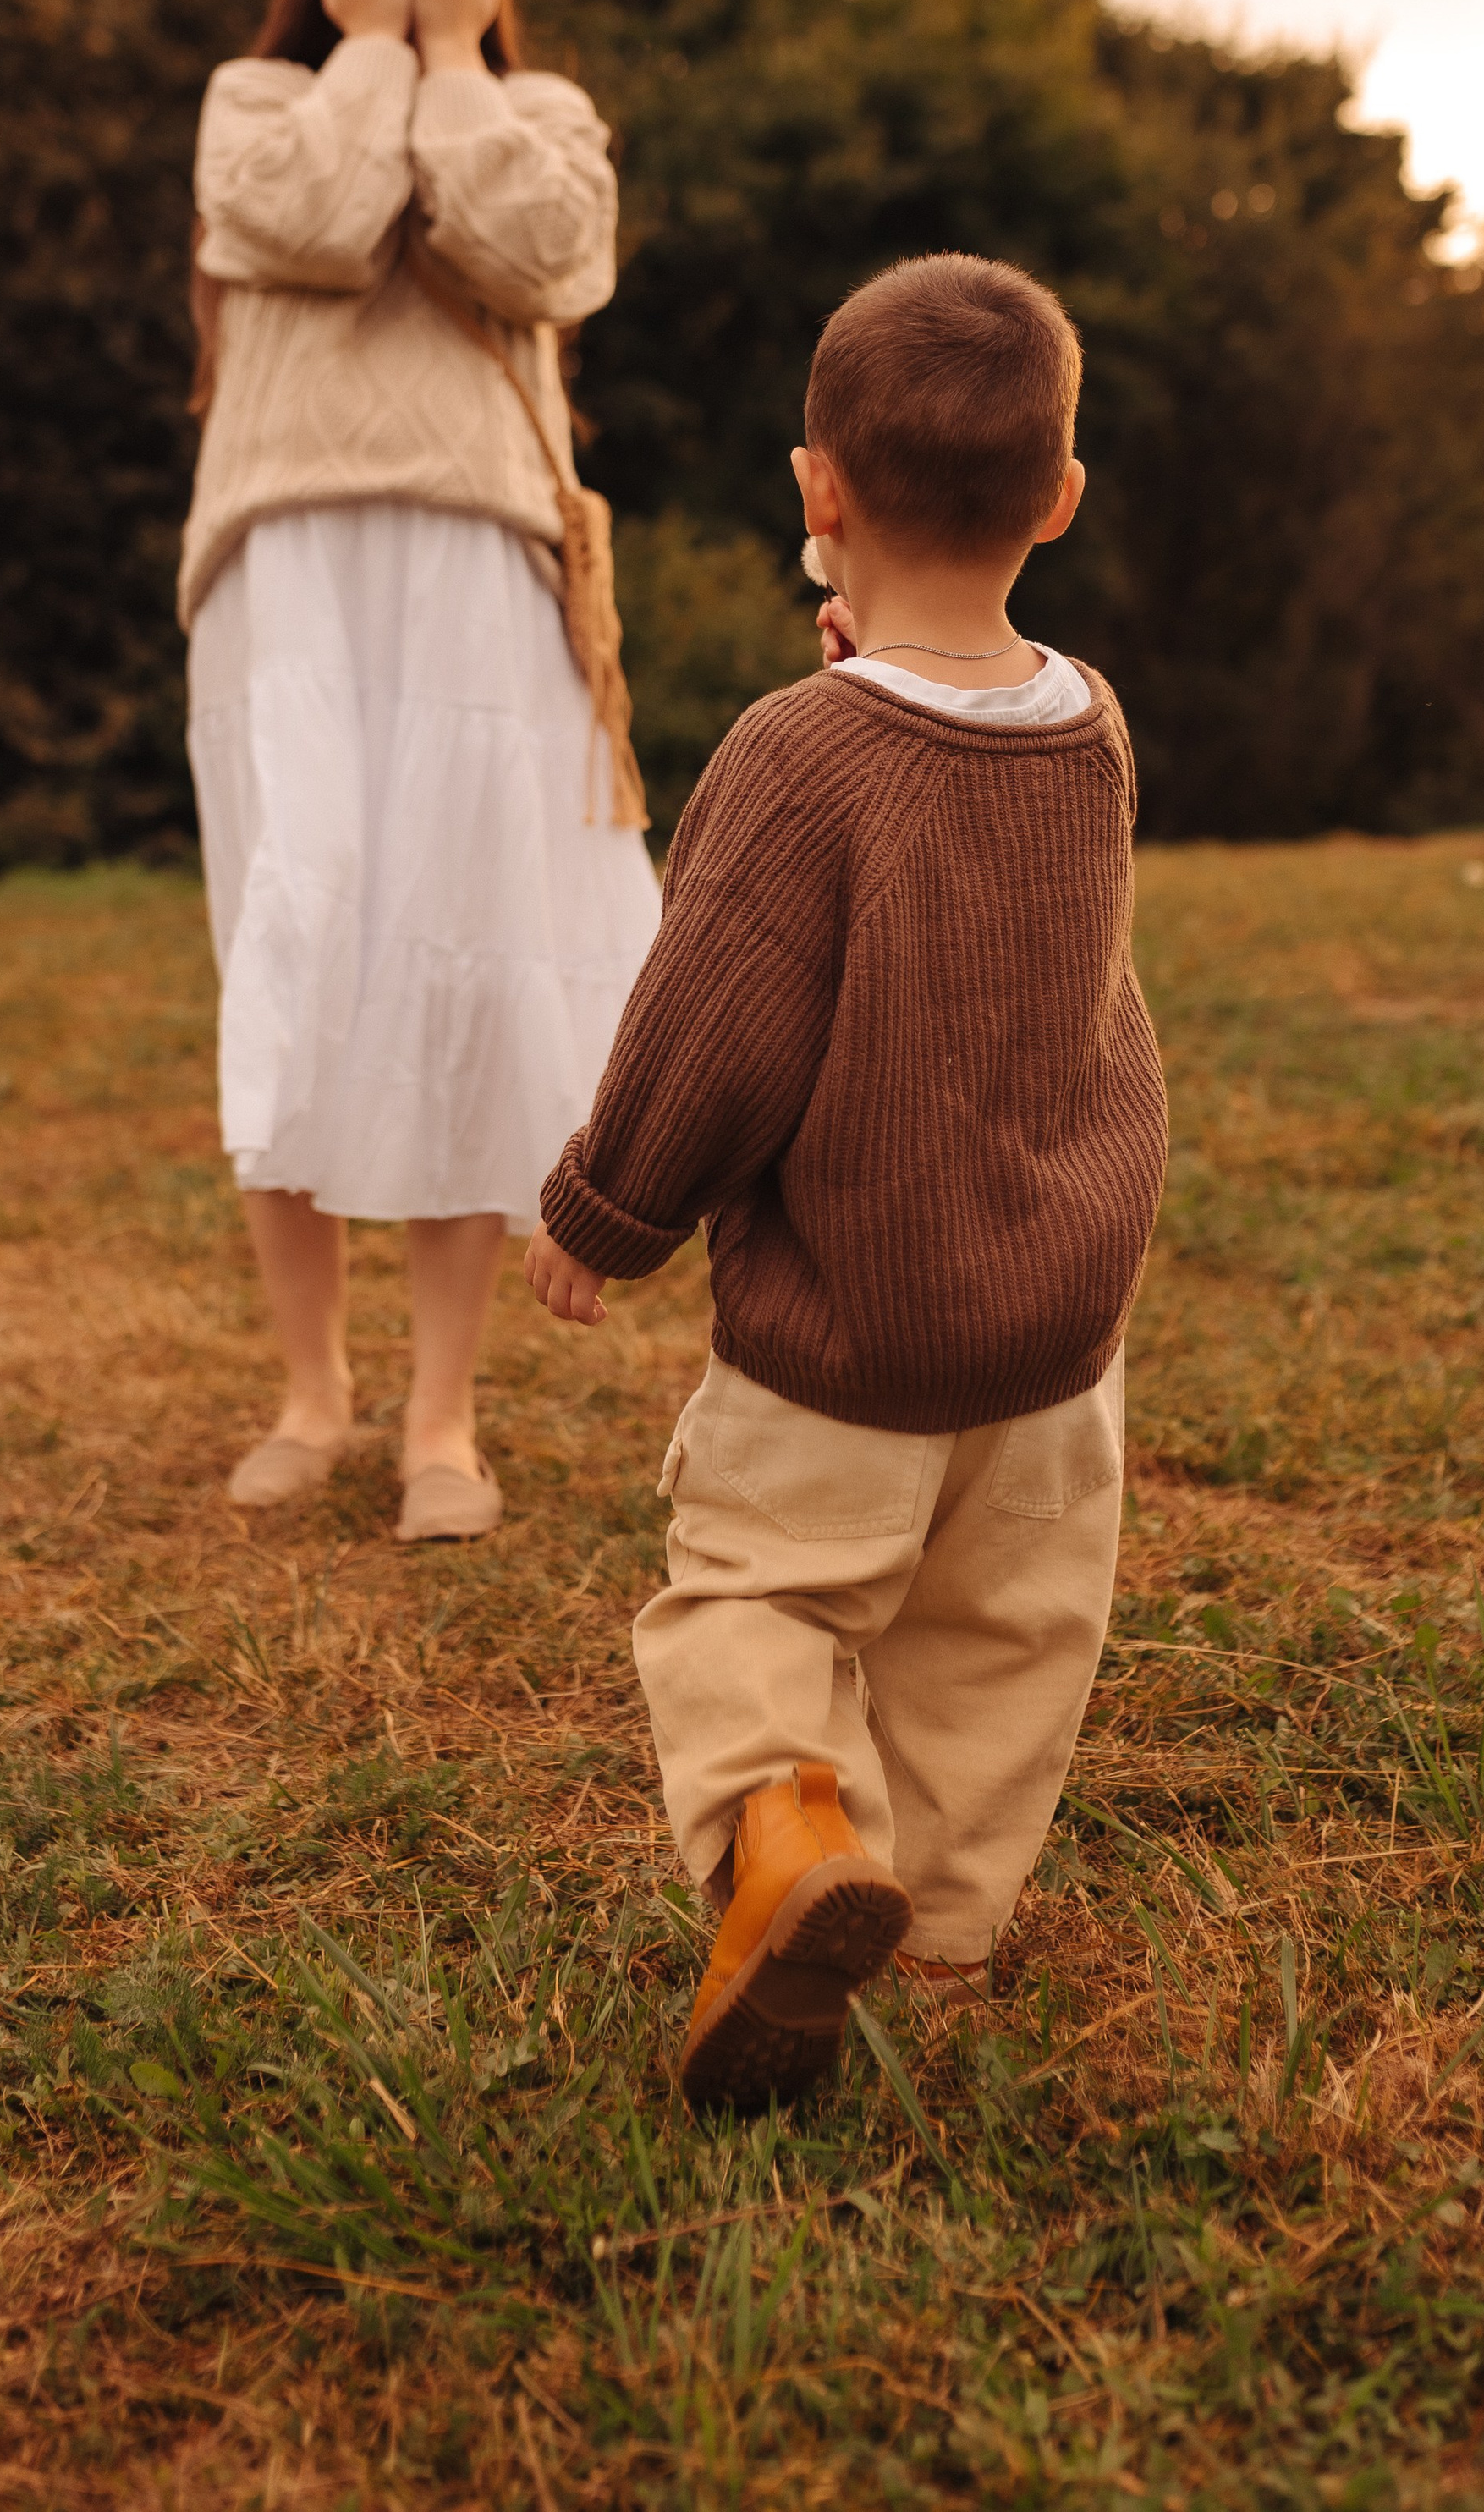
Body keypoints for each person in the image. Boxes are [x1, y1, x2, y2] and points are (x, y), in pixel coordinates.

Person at [523, 253, 1168, 2107]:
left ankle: (798, 1848)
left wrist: (610, 1206)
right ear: (1053, 500)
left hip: (843, 1336)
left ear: (816, 493)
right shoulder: (1091, 724)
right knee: (1001, 1644)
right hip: (1049, 1341)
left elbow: (712, 1013)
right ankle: (945, 1938)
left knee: (756, 1604)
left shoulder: (798, 753)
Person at [180, 0, 661, 1544]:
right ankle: (312, 1386)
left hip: (478, 573)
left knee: (460, 965)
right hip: (283, 568)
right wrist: (372, 44)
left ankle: (440, 1418)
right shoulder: (255, 103)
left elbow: (536, 255)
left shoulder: (542, 121)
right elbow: (310, 218)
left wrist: (452, 62)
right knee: (295, 947)